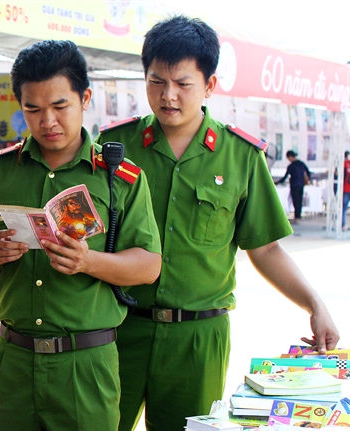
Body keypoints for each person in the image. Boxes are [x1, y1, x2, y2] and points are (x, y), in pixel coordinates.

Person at [96, 15, 339, 431]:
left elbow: (264, 248)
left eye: (183, 84)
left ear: (209, 85)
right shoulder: (114, 148)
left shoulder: (241, 156)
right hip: (118, 328)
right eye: (156, 81)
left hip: (198, 339)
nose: (168, 95)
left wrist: (315, 305)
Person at [0, 40, 162, 431]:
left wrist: (88, 261)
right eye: (33, 109)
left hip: (86, 364)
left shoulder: (119, 177)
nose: (47, 121)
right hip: (13, 360)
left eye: (60, 107)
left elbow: (149, 266)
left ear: (84, 98)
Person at [275, 150, 312, 223]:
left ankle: (297, 217)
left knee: (296, 201)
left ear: (290, 157)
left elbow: (285, 177)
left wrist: (276, 182)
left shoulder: (291, 166)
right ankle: (298, 216)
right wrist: (308, 180)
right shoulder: (301, 164)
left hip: (294, 185)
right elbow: (308, 172)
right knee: (299, 201)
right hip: (301, 185)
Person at [342, 151, 350, 231]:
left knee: (343, 208)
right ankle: (343, 224)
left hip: (346, 189)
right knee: (344, 208)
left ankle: (343, 225)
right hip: (346, 188)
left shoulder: (345, 163)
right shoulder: (345, 163)